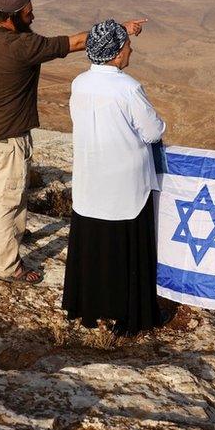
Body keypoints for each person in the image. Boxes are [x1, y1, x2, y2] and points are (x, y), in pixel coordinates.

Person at [0, 0, 146, 285]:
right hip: (11, 140)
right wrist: (120, 29)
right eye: (28, 13)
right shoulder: (25, 45)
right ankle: (7, 266)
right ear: (13, 18)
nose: (33, 16)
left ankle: (12, 240)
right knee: (9, 202)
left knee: (5, 197)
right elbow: (79, 41)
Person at [63, 19, 169, 336]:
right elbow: (153, 130)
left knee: (94, 246)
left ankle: (89, 308)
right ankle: (130, 315)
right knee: (128, 250)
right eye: (126, 44)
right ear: (115, 52)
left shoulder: (79, 83)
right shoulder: (128, 88)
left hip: (90, 177)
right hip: (126, 184)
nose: (130, 48)